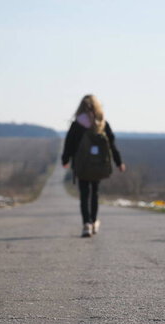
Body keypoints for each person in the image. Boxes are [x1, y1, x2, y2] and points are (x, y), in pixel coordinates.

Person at [62, 94, 126, 238]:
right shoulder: (102, 123)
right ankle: (94, 220)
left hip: (82, 165)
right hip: (99, 165)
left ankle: (87, 224)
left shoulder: (77, 124)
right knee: (95, 193)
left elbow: (69, 144)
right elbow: (111, 145)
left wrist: (65, 160)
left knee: (84, 194)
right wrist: (119, 162)